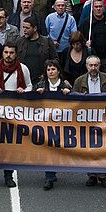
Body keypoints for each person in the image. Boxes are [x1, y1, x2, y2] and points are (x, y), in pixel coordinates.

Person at [0, 43, 31, 187]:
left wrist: (24, 91)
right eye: (6, 52)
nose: (8, 55)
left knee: (10, 144)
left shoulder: (23, 69)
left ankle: (8, 175)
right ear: (2, 53)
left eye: (11, 52)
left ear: (16, 54)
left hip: (14, 113)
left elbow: (29, 85)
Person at [73, 55, 106, 189]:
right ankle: (91, 174)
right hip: (86, 119)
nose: (93, 68)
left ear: (99, 66)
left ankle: (103, 175)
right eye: (90, 65)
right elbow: (74, 101)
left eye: (96, 65)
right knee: (89, 147)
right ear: (86, 66)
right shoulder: (79, 81)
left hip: (104, 119)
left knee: (103, 147)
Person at [34, 59, 73, 190]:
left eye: (53, 69)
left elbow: (75, 102)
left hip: (62, 123)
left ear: (58, 71)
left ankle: (52, 171)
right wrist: (36, 93)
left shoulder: (65, 85)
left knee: (57, 149)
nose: (51, 72)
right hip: (46, 122)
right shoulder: (40, 84)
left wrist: (69, 92)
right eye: (48, 69)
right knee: (49, 148)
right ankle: (49, 176)